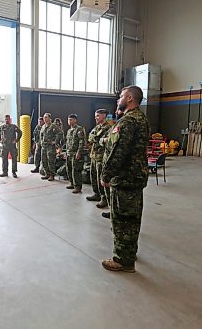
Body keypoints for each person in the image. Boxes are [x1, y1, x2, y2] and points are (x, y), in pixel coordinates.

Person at [101, 86, 150, 273]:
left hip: (125, 178)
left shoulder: (128, 121)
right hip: (136, 176)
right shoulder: (141, 118)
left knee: (121, 219)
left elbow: (118, 151)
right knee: (132, 218)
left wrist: (106, 175)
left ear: (130, 98)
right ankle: (130, 252)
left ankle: (123, 260)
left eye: (121, 96)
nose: (119, 99)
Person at [101, 109, 124, 220]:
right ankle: (112, 210)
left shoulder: (123, 127)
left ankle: (114, 214)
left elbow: (113, 145)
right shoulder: (112, 129)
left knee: (115, 192)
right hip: (108, 160)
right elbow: (99, 139)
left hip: (116, 165)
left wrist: (105, 140)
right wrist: (104, 140)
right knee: (110, 191)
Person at [86, 109, 111, 208]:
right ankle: (96, 194)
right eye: (95, 116)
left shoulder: (109, 128)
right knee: (93, 177)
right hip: (94, 155)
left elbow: (107, 141)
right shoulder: (97, 127)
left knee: (101, 179)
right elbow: (90, 138)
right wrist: (99, 139)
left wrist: (98, 139)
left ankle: (104, 198)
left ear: (104, 116)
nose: (95, 118)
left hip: (101, 157)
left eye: (97, 116)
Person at [65, 114, 86, 193]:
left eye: (71, 120)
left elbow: (81, 141)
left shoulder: (79, 129)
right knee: (69, 169)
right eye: (68, 120)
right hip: (69, 153)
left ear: (75, 120)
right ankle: (72, 183)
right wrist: (65, 152)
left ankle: (78, 186)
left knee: (76, 170)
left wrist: (79, 152)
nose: (69, 121)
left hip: (75, 154)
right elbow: (67, 143)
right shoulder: (69, 130)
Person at [39, 113, 61, 181]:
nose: (44, 119)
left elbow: (60, 133)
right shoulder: (43, 126)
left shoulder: (53, 126)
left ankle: (52, 175)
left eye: (46, 117)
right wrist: (41, 141)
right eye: (44, 117)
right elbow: (41, 135)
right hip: (44, 146)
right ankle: (47, 174)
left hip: (50, 147)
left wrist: (55, 141)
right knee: (44, 160)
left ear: (49, 118)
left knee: (51, 161)